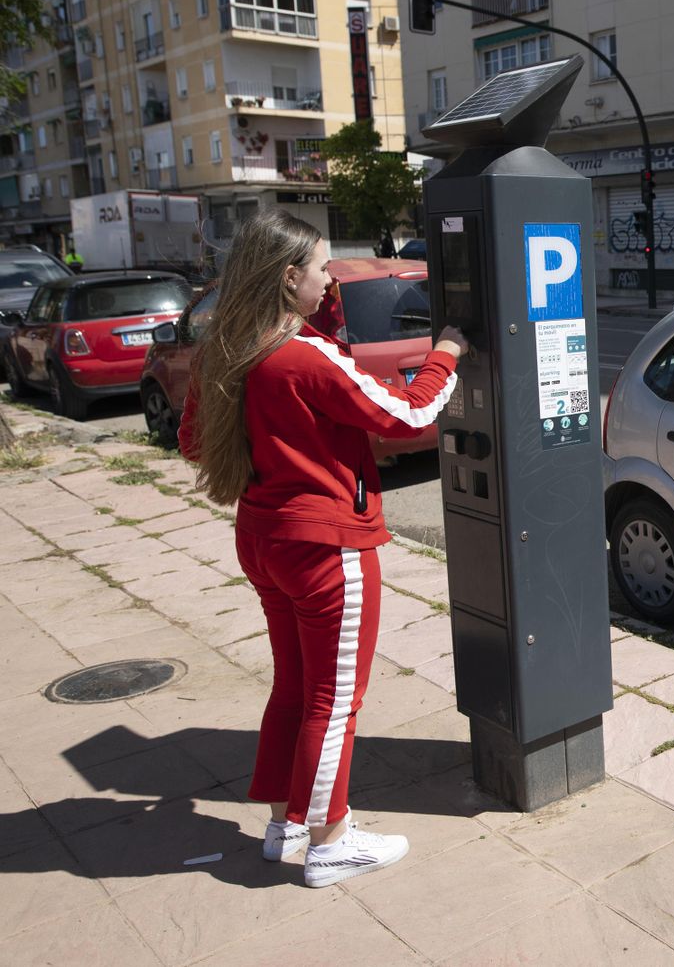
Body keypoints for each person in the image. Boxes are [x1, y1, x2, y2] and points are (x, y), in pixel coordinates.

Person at [178, 210, 467, 888]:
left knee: (294, 686)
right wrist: (448, 350)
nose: (331, 278)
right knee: (334, 699)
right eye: (322, 268)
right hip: (326, 545)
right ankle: (331, 839)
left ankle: (285, 823)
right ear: (287, 277)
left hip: (263, 537)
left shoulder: (226, 348)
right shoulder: (303, 357)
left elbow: (193, 441)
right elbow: (408, 414)